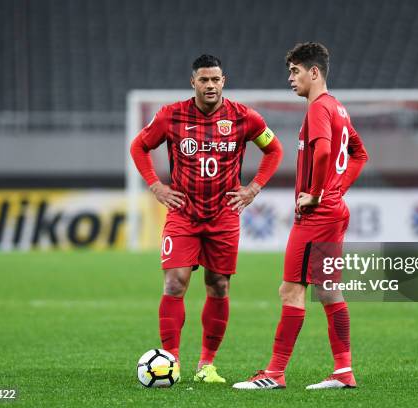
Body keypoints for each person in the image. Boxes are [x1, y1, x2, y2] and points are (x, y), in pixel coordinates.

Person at [130, 54, 283, 383]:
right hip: (183, 215)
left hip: (224, 216)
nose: (210, 85)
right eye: (204, 80)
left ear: (223, 81)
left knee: (219, 285)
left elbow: (275, 150)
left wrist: (253, 188)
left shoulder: (245, 118)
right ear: (193, 82)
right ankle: (170, 361)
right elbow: (139, 147)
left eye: (215, 80)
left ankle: (206, 365)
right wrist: (156, 186)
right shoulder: (170, 116)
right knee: (174, 284)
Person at [233, 42, 368, 390]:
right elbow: (359, 154)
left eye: (294, 71)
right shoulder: (338, 109)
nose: (290, 78)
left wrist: (319, 192)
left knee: (290, 290)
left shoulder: (319, 110)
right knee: (328, 292)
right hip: (334, 211)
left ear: (314, 72)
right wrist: (336, 190)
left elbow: (323, 151)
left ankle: (274, 373)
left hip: (316, 215)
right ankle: (343, 371)